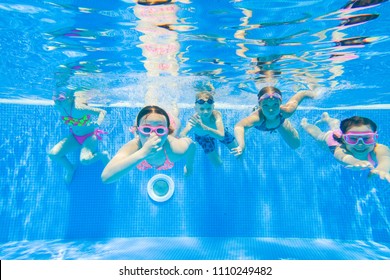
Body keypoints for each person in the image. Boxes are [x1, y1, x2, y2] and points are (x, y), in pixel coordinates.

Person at [101, 105, 195, 183]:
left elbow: (192, 145)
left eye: (160, 130)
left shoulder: (175, 148)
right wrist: (143, 152)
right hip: (150, 122)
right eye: (146, 129)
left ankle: (173, 109)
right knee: (147, 109)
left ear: (167, 133)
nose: (153, 135)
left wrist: (189, 166)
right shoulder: (135, 146)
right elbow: (106, 177)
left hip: (169, 122)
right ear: (137, 132)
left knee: (174, 114)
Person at [301, 113, 390, 183]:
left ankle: (327, 118)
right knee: (318, 136)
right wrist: (356, 162)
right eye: (353, 139)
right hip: (333, 140)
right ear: (344, 139)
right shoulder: (340, 148)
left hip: (344, 134)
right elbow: (343, 157)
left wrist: (382, 168)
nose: (360, 144)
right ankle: (305, 124)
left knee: (337, 127)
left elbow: (386, 158)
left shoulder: (379, 148)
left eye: (367, 138)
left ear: (375, 138)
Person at [232, 86, 315, 156]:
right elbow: (239, 126)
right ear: (260, 105)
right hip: (264, 122)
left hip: (280, 121)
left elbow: (302, 94)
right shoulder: (257, 118)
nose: (270, 109)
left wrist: (314, 94)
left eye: (275, 104)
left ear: (280, 103)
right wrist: (241, 145)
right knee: (246, 128)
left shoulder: (286, 111)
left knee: (296, 145)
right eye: (265, 105)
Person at [48, 91, 109, 184]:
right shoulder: (59, 107)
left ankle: (103, 155)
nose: (58, 101)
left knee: (85, 160)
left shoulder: (78, 108)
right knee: (53, 154)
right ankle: (70, 169)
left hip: (89, 136)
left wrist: (97, 123)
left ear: (70, 98)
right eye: (55, 99)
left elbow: (102, 112)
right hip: (75, 137)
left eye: (61, 98)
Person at [179, 92, 239, 166]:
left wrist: (205, 128)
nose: (205, 111)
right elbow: (182, 134)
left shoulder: (216, 115)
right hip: (203, 138)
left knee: (238, 152)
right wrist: (188, 141)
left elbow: (221, 136)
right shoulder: (195, 119)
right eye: (202, 109)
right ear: (196, 108)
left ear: (213, 107)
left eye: (209, 108)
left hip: (217, 133)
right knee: (218, 164)